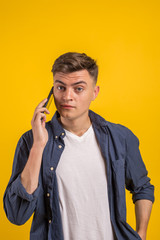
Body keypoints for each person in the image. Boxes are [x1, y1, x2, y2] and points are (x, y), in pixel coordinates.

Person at [3, 52, 154, 240]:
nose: (67, 96)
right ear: (52, 91)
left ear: (94, 92)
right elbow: (16, 215)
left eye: (78, 89)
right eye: (60, 87)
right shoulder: (32, 140)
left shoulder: (120, 137)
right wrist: (38, 146)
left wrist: (141, 233)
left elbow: (142, 187)